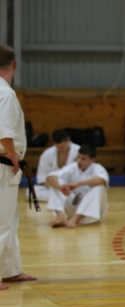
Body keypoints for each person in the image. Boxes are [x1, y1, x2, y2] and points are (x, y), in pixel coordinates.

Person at [0, 45, 36, 288]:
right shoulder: (5, 94)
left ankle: (10, 269)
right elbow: (3, 132)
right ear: (14, 65)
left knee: (10, 219)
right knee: (2, 221)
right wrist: (13, 156)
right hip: (3, 163)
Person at [46, 144, 109, 228]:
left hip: (91, 213)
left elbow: (102, 180)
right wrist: (60, 187)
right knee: (57, 182)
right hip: (74, 206)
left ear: (92, 160)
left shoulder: (97, 168)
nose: (79, 161)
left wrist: (78, 184)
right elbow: (50, 177)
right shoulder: (73, 167)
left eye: (83, 159)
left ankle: (75, 219)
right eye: (78, 157)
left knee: (99, 187)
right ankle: (60, 216)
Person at [32, 129, 80, 202]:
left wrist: (68, 187)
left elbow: (84, 173)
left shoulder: (79, 151)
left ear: (68, 140)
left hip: (73, 187)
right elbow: (42, 178)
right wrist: (57, 187)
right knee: (31, 192)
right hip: (54, 187)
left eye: (62, 146)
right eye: (58, 147)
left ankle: (63, 198)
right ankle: (68, 199)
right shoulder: (47, 154)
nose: (60, 149)